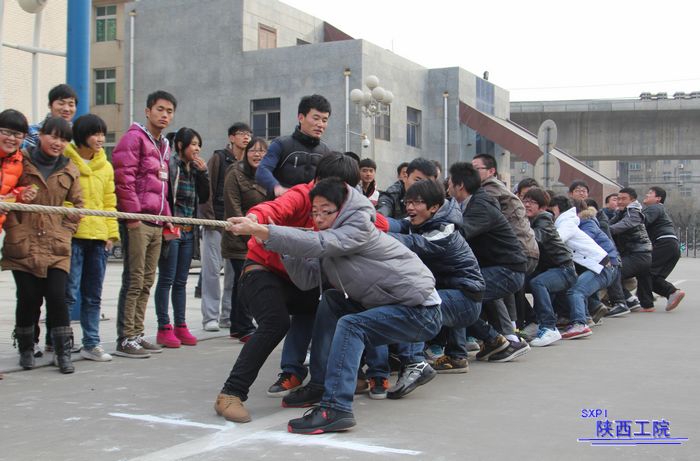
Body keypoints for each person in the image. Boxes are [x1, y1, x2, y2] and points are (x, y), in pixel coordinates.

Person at [227, 178, 441, 434]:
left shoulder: (358, 227)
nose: (318, 218)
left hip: (421, 310)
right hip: (389, 303)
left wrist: (267, 232)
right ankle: (319, 385)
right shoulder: (331, 236)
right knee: (331, 301)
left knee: (352, 326)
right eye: (314, 212)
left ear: (343, 209)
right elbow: (306, 279)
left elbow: (321, 244)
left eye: (326, 211)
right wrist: (281, 248)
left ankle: (336, 408)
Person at [214, 154, 384, 423]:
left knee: (334, 304)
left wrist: (410, 228)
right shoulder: (301, 195)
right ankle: (231, 393)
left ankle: (323, 380)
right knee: (276, 322)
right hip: (263, 270)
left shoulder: (347, 206)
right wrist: (254, 219)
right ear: (316, 181)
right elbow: (272, 208)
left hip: (303, 280)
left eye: (342, 190)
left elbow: (377, 222)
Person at [4, 116, 82, 373]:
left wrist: (65, 231)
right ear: (41, 135)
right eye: (53, 136)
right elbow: (7, 193)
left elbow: (78, 206)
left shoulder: (70, 169)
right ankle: (27, 346)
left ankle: (62, 351)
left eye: (64, 139)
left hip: (56, 246)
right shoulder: (21, 161)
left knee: (58, 297)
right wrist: (15, 227)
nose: (58, 143)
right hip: (23, 243)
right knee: (28, 297)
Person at [391, 179, 489, 373]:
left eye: (416, 202)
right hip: (452, 291)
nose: (410, 207)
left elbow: (412, 243)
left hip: (466, 298)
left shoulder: (443, 231)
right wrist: (371, 221)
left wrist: (369, 237)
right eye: (407, 202)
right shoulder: (422, 220)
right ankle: (456, 356)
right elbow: (396, 225)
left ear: (434, 207)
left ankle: (415, 365)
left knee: (417, 306)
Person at [113, 90, 176, 358]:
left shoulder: (164, 145)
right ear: (148, 111)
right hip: (138, 220)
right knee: (134, 279)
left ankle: (137, 334)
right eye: (160, 109)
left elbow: (163, 187)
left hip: (157, 220)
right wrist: (133, 217)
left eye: (169, 111)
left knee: (148, 279)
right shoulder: (134, 138)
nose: (164, 115)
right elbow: (124, 178)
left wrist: (167, 220)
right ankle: (126, 337)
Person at [447, 162, 528, 360]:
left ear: (460, 185)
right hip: (499, 267)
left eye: (449, 182)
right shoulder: (470, 203)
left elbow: (459, 235)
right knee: (459, 295)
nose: (447, 187)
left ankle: (460, 355)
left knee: (458, 298)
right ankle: (496, 341)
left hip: (507, 270)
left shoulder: (480, 206)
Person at [63, 114, 118, 362]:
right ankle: (61, 343)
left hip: (99, 238)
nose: (100, 139)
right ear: (82, 135)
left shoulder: (105, 166)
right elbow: (62, 198)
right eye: (95, 134)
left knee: (93, 295)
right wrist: (69, 222)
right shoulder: (66, 161)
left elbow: (110, 202)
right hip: (74, 236)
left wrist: (112, 233)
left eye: (102, 134)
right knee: (68, 293)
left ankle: (91, 343)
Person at [154, 127, 210, 348]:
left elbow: (203, 198)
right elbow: (165, 196)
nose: (197, 149)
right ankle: (163, 327)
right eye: (193, 144)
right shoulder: (171, 165)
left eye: (199, 145)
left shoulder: (194, 169)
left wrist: (203, 173)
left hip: (188, 231)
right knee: (166, 279)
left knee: (181, 281)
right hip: (171, 229)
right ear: (180, 145)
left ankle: (181, 325)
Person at [198, 122, 251, 331]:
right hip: (217, 222)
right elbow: (208, 188)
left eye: (248, 134)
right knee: (212, 271)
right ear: (231, 137)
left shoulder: (248, 164)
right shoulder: (219, 158)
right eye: (241, 134)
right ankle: (210, 316)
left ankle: (227, 315)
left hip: (238, 225)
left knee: (234, 272)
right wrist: (209, 218)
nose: (246, 137)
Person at [548, 196, 616, 339]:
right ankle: (584, 319)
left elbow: (557, 240)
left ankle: (580, 324)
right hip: (597, 265)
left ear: (558, 209)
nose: (549, 214)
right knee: (574, 288)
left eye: (551, 211)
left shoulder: (567, 223)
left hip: (600, 266)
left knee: (576, 291)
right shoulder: (567, 221)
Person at [220, 137, 268, 340]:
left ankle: (240, 325)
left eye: (262, 151)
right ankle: (243, 325)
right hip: (239, 238)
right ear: (246, 153)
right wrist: (252, 232)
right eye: (253, 150)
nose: (257, 155)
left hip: (257, 237)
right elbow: (233, 207)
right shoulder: (235, 172)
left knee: (245, 282)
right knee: (245, 281)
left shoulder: (267, 176)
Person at [521, 189, 576, 347]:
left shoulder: (544, 219)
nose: (527, 205)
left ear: (543, 207)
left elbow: (534, 238)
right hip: (547, 270)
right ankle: (533, 322)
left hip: (564, 269)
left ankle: (549, 327)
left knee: (538, 283)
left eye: (533, 202)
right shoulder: (528, 221)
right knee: (515, 282)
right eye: (525, 201)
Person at [256, 94, 332, 198]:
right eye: (316, 118)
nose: (320, 124)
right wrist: (277, 188)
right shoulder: (281, 144)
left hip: (311, 205)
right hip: (282, 203)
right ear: (301, 118)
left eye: (324, 120)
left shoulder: (325, 151)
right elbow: (262, 170)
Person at [609, 187, 653, 311]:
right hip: (637, 254)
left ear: (632, 200)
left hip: (638, 254)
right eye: (618, 199)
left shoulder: (633, 212)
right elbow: (609, 223)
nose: (620, 201)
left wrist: (605, 230)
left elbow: (625, 224)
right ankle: (636, 302)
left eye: (624, 199)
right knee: (644, 280)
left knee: (611, 274)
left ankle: (621, 303)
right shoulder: (621, 212)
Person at [642, 186, 684, 311]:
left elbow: (641, 222)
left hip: (664, 243)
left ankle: (648, 303)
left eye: (650, 193)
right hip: (671, 245)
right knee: (653, 277)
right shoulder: (659, 209)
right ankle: (672, 294)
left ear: (658, 198)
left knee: (644, 271)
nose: (646, 195)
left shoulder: (655, 207)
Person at [22, 84, 78, 151]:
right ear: (49, 105)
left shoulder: (78, 135)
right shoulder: (32, 132)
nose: (66, 109)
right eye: (61, 103)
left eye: (71, 105)